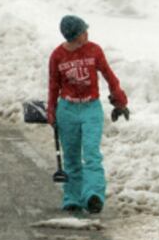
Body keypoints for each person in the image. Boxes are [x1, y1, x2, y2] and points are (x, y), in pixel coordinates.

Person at [46, 15, 129, 215]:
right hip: (67, 110)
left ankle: (93, 196)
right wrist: (52, 111)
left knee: (91, 154)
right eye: (83, 31)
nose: (87, 33)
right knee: (72, 157)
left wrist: (120, 101)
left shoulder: (94, 50)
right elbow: (53, 86)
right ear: (75, 36)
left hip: (91, 108)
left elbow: (109, 76)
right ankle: (73, 198)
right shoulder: (57, 56)